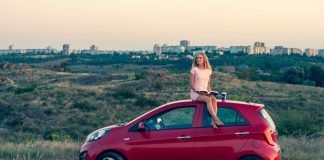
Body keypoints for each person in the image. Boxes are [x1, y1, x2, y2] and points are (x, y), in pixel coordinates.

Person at [189, 52, 224, 128]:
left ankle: (213, 122)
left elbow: (208, 84)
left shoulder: (208, 71)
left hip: (205, 92)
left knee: (213, 99)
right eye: (197, 58)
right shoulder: (194, 70)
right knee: (208, 99)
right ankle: (215, 119)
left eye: (200, 58)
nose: (198, 59)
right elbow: (191, 85)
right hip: (196, 93)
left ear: (204, 59)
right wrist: (198, 92)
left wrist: (210, 92)